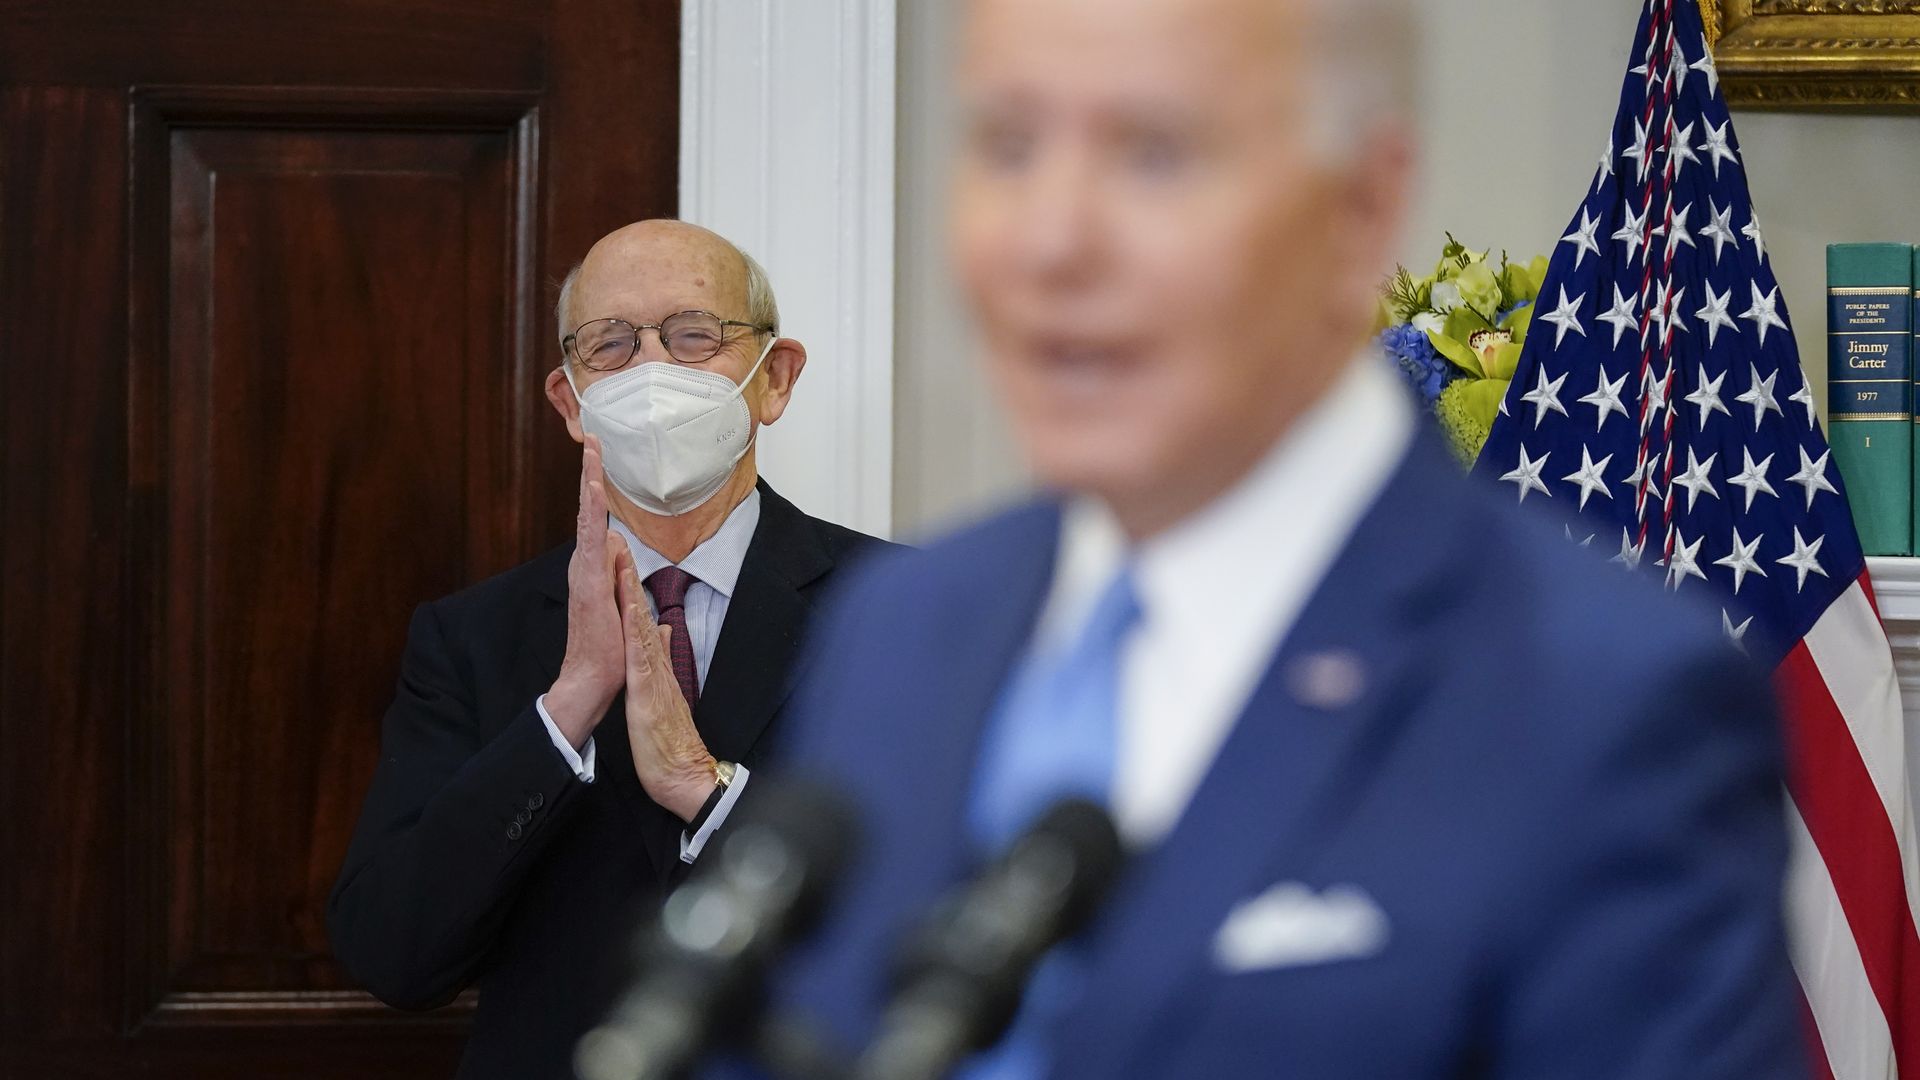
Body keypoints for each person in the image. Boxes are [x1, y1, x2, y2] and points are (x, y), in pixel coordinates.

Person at [733, 0, 1807, 1076]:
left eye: (1156, 153)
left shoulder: (1603, 694)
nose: (1050, 241)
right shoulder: (901, 625)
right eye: (1007, 145)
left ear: (1362, 208)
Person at [327, 220, 891, 1080]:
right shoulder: (473, 636)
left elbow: (929, 913)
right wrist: (564, 712)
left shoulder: (894, 608)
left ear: (772, 379)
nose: (653, 370)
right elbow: (394, 953)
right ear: (569, 399)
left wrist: (708, 792)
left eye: (693, 334)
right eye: (612, 343)